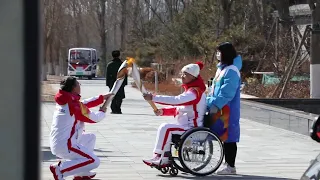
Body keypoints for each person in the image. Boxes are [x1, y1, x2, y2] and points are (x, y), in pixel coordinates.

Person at [142, 62, 207, 166]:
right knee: (166, 128)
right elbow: (179, 108)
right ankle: (161, 156)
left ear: (193, 76)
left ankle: (161, 157)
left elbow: (177, 100)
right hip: (185, 127)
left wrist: (154, 97)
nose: (182, 76)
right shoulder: (189, 91)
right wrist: (162, 111)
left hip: (193, 128)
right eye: (182, 73)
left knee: (166, 128)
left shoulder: (195, 92)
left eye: (185, 74)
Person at [49, 76, 113, 180]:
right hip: (66, 145)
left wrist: (102, 98)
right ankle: (60, 169)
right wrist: (102, 112)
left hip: (62, 141)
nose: (80, 86)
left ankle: (82, 173)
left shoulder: (66, 100)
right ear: (74, 88)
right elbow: (94, 118)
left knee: (90, 138)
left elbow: (83, 104)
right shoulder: (72, 105)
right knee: (94, 161)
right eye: (79, 84)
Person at [206, 42, 242, 175]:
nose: (217, 55)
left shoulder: (232, 70)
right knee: (224, 136)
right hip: (220, 108)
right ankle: (227, 164)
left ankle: (230, 166)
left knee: (230, 137)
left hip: (227, 109)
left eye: (219, 52)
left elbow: (227, 93)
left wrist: (215, 104)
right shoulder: (222, 68)